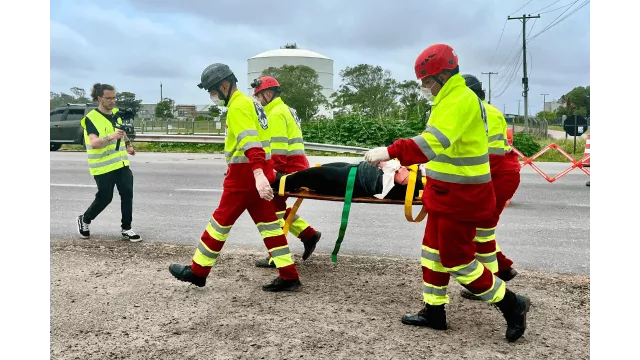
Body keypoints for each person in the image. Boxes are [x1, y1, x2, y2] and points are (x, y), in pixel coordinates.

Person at [364, 44, 530, 342]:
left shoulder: (458, 100)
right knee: (432, 253)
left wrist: (390, 151)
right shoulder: (450, 98)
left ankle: (512, 304)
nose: (425, 88)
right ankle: (434, 311)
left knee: (457, 260)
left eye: (427, 81)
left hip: (462, 196)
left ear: (441, 74)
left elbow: (432, 143)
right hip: (445, 192)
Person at [168, 63, 302, 292]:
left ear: (224, 85)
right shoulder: (252, 103)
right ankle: (289, 275)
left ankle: (198, 271)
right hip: (258, 171)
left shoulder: (238, 106)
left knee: (219, 223)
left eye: (213, 91)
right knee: (270, 226)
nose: (213, 96)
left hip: (245, 176)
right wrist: (262, 173)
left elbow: (250, 142)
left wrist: (257, 174)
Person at [458, 74, 521, 301]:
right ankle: (501, 268)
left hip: (497, 175)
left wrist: (470, 185)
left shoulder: (487, 113)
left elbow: (492, 156)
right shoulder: (475, 111)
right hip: (493, 174)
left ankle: (491, 282)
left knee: (482, 230)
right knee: (483, 229)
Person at [250, 76, 321, 268]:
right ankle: (308, 234)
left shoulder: (274, 113)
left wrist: (271, 173)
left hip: (288, 170)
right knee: (276, 207)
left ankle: (277, 256)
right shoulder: (286, 109)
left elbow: (278, 149)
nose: (257, 101)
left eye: (258, 96)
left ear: (268, 93)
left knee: (270, 209)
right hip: (297, 168)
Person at [76, 83, 141, 242]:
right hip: (103, 167)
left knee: (127, 194)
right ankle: (85, 219)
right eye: (109, 98)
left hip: (121, 164)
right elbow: (94, 143)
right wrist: (112, 136)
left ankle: (127, 228)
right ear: (99, 98)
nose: (113, 101)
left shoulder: (117, 113)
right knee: (105, 198)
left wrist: (128, 145)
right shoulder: (91, 118)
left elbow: (121, 131)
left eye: (114, 98)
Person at [272, 160, 423, 200]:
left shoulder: (422, 176)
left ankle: (275, 181)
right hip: (358, 170)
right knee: (314, 171)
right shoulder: (424, 167)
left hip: (356, 181)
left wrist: (386, 163)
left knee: (311, 175)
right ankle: (281, 178)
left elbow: (405, 180)